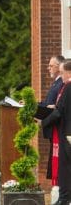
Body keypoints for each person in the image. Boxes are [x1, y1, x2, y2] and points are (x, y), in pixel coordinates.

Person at [35, 60, 71, 205]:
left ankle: (63, 199)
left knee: (65, 167)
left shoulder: (68, 87)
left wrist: (43, 122)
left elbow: (59, 112)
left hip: (67, 134)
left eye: (62, 73)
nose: (61, 77)